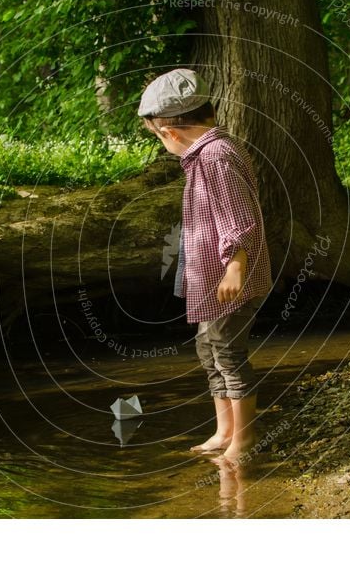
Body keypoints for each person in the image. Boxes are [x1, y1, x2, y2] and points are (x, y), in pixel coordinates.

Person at [137, 68, 272, 460]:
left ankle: (245, 439)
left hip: (229, 275)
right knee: (208, 348)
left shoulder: (215, 157)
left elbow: (239, 215)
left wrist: (235, 265)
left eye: (158, 139)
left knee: (227, 351)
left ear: (171, 134)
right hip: (210, 277)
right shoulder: (206, 154)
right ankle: (224, 430)